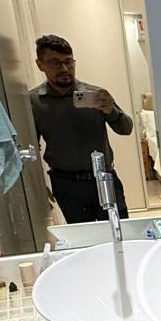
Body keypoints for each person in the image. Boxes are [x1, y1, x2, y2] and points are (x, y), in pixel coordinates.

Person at [29, 34, 134, 223]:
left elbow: (126, 128)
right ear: (40, 64)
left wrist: (111, 110)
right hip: (66, 184)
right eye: (55, 63)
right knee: (83, 235)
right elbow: (30, 148)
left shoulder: (96, 94)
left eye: (69, 62)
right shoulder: (34, 102)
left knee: (120, 231)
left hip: (104, 177)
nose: (64, 68)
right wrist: (38, 186)